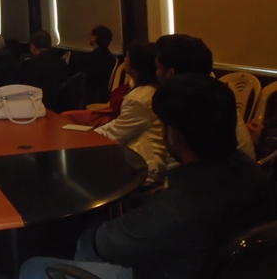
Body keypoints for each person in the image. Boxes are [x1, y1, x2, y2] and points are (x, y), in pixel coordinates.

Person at [20, 74, 276, 279]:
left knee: (33, 266)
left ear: (173, 133)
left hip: (160, 269)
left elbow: (106, 244)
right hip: (211, 264)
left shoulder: (176, 208)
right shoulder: (251, 170)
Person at [155, 34, 256, 160]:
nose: (156, 73)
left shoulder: (189, 108)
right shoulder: (215, 96)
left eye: (157, 67)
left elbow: (184, 165)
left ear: (171, 73)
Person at [94, 42, 167, 183]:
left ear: (136, 65)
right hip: (144, 159)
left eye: (127, 57)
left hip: (145, 165)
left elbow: (115, 132)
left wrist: (85, 136)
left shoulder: (139, 99)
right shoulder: (148, 89)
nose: (124, 59)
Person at [22, 30, 69, 110]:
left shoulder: (32, 64)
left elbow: (28, 90)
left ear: (33, 47)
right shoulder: (62, 62)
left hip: (40, 107)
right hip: (61, 106)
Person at [83, 25, 117, 105]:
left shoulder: (92, 57)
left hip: (91, 96)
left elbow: (87, 79)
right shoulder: (111, 58)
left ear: (94, 38)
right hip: (104, 96)